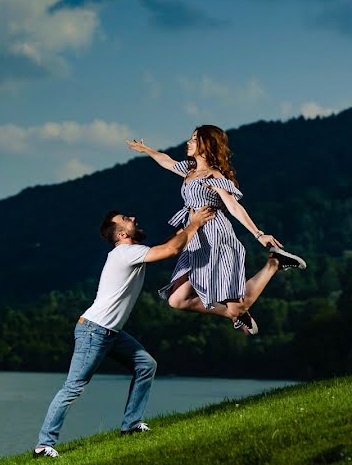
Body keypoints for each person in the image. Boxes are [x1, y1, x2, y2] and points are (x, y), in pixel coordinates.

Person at [33, 206, 215, 459]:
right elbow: (171, 249)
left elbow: (170, 247)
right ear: (120, 234)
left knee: (146, 365)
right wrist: (193, 224)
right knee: (73, 387)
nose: (134, 218)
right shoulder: (124, 253)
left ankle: (130, 425)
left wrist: (189, 228)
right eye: (127, 220)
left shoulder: (131, 252)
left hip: (111, 333)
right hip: (94, 331)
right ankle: (44, 445)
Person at [125, 125, 306, 335]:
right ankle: (235, 315)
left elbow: (234, 207)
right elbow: (168, 162)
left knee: (236, 305)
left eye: (194, 139)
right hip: (193, 237)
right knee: (177, 299)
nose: (188, 142)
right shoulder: (190, 170)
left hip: (214, 237)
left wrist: (258, 234)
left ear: (205, 145)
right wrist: (147, 150)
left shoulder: (214, 176)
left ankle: (274, 263)